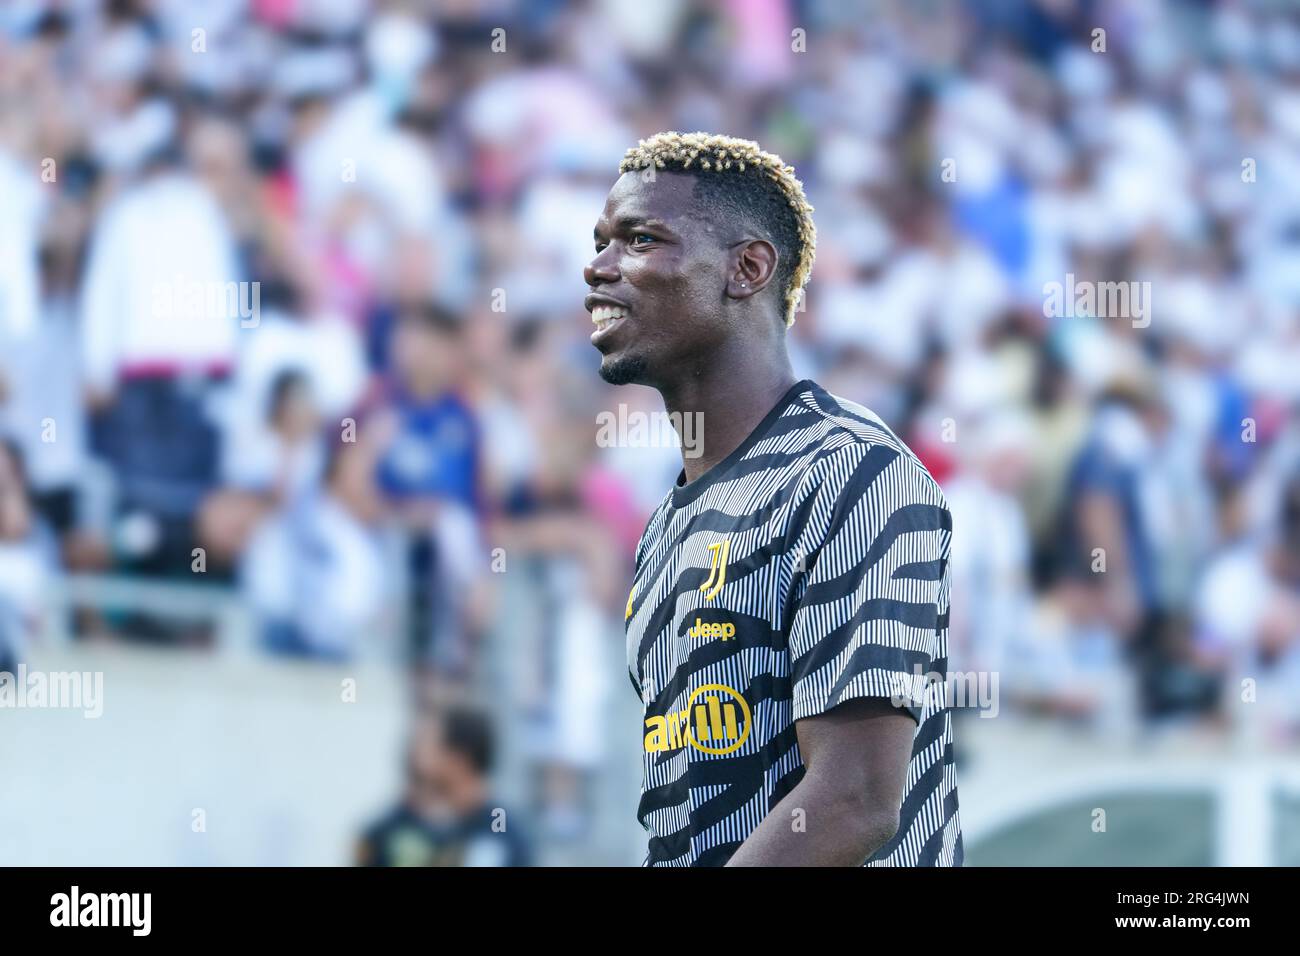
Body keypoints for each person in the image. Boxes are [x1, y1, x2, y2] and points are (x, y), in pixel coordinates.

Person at [586, 132, 962, 867]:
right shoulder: (665, 526)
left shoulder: (850, 471)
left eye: (639, 240)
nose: (597, 267)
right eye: (601, 242)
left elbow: (854, 801)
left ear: (748, 269)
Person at [356, 703, 532, 867]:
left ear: (459, 759)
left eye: (430, 746)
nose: (418, 757)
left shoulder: (506, 836)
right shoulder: (390, 830)